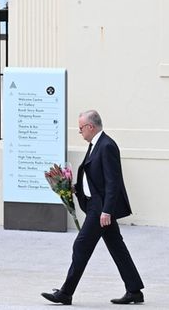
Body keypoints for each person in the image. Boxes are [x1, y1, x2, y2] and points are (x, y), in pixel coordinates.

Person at [41, 110, 145, 305]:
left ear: (90, 127)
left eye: (81, 128)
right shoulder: (95, 145)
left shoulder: (106, 146)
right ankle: (134, 290)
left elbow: (113, 182)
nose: (80, 132)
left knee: (81, 245)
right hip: (94, 204)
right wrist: (73, 188)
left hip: (100, 208)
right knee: (117, 246)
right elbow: (93, 177)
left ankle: (66, 293)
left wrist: (107, 210)